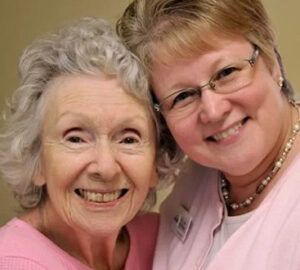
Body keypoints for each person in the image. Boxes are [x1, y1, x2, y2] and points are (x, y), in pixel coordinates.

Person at [116, 0, 300, 269]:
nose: (213, 111)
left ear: (272, 62)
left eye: (227, 73)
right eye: (183, 96)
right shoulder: (195, 178)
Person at [0, 17, 172, 270]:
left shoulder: (170, 241)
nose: (105, 167)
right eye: (75, 138)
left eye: (128, 138)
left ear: (157, 161)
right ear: (36, 160)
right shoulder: (14, 263)